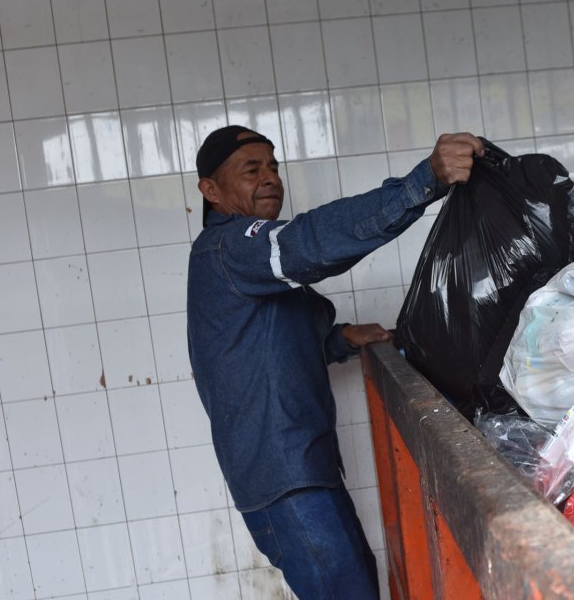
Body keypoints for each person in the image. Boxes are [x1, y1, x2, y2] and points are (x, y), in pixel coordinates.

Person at [186, 125, 484, 598]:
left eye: (273, 167)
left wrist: (342, 339)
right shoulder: (232, 245)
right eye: (251, 170)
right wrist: (422, 181)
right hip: (288, 482)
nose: (270, 178)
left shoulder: (245, 261)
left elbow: (272, 347)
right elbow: (309, 243)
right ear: (210, 190)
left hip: (304, 470)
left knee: (359, 587)